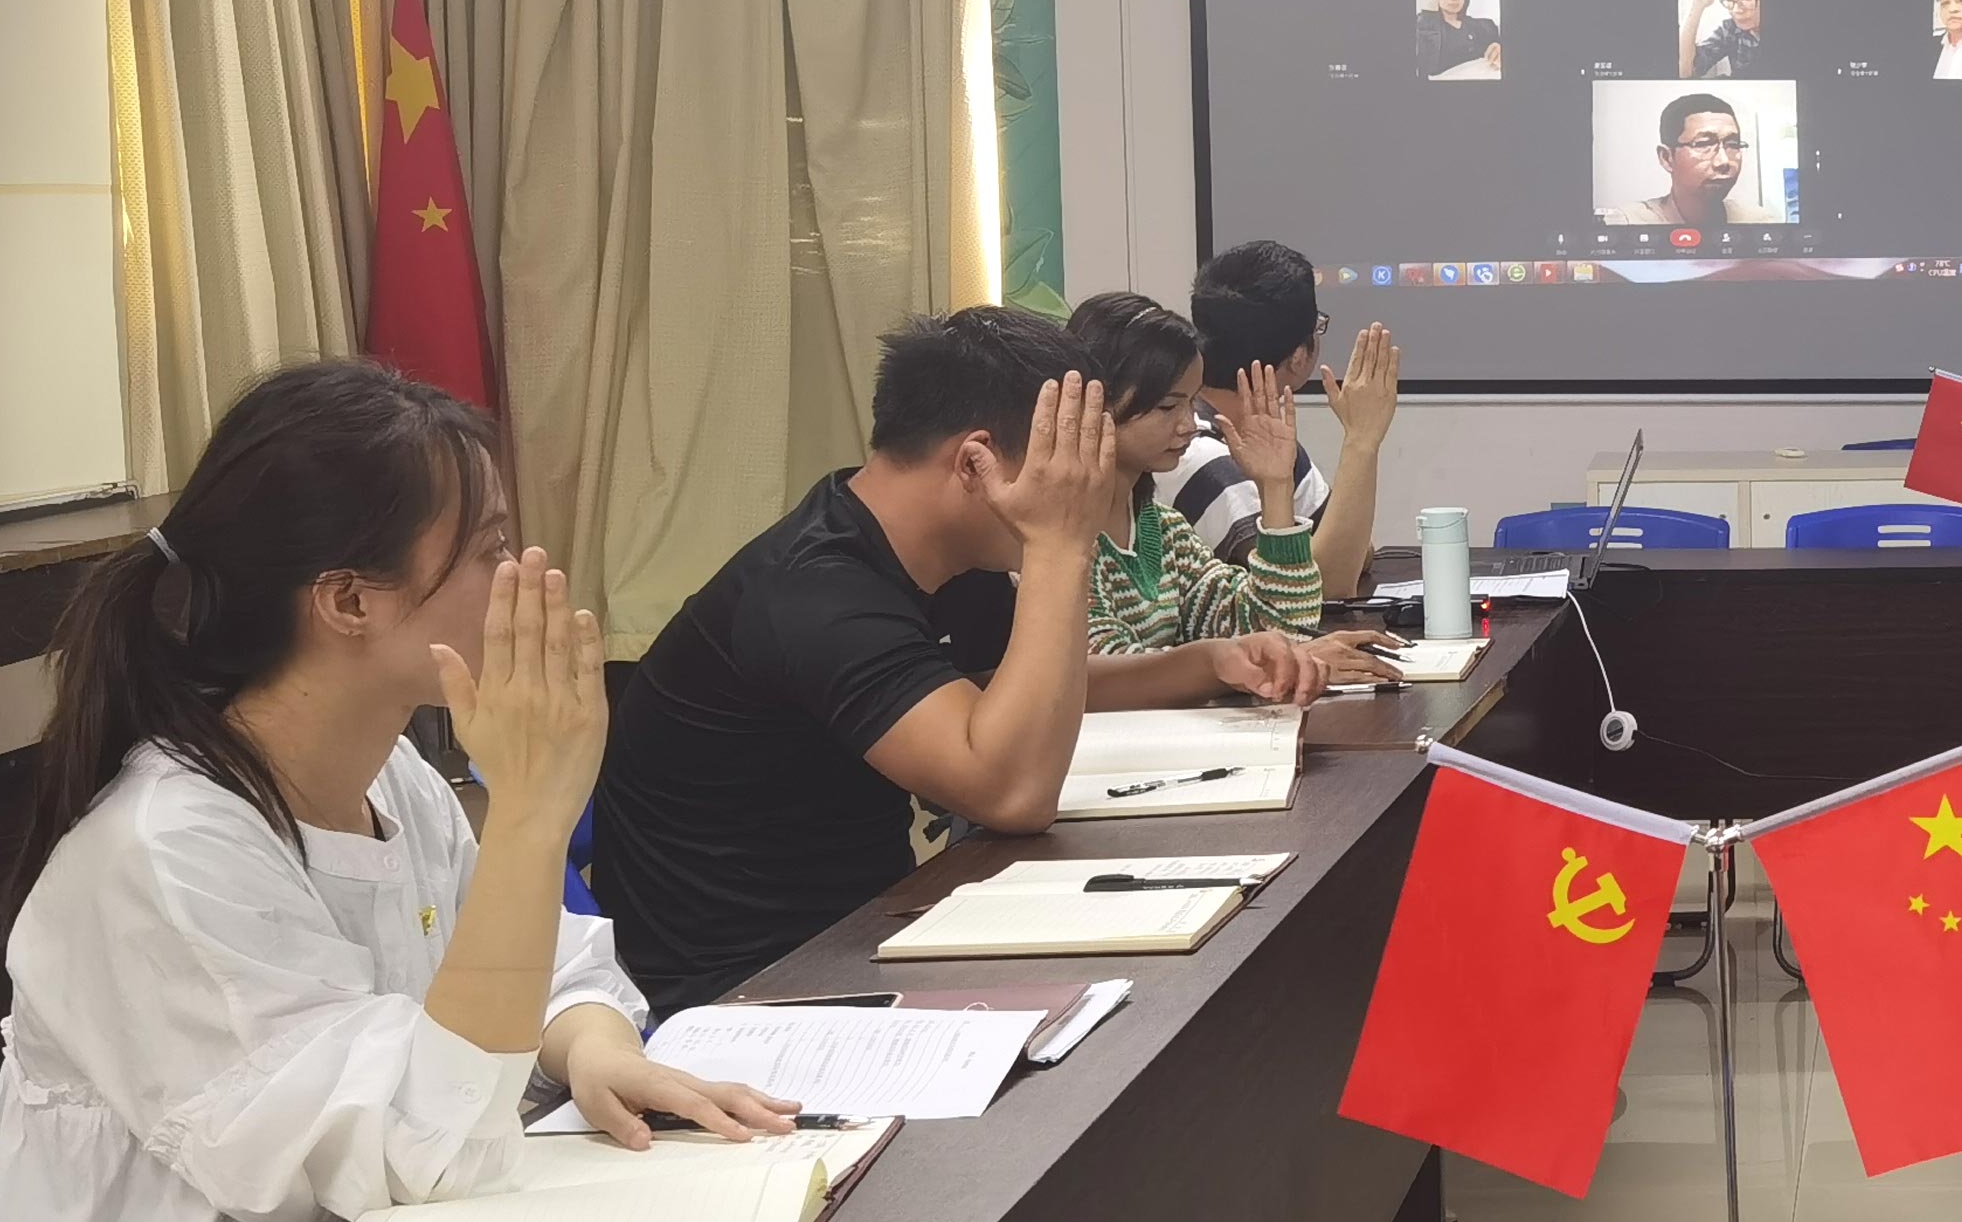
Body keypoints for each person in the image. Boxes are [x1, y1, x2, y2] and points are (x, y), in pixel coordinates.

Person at [0, 361, 791, 1222]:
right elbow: (412, 1147)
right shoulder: (162, 854)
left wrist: (592, 1044)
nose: (522, 576)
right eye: (489, 549)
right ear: (348, 600)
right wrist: (531, 813)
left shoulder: (392, 772)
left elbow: (533, 971)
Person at [591, 309, 1328, 1012]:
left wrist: (1207, 662)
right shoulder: (815, 593)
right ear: (976, 461)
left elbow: (1002, 698)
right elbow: (1012, 793)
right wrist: (1059, 544)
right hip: (749, 984)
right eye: (1065, 467)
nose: (1087, 489)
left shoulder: (949, 553)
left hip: (870, 924)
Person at [1066, 292, 1332, 652]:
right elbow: (1101, 667)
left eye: (1191, 403)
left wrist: (1276, 487)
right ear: (1093, 402)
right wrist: (1221, 662)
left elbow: (1282, 628)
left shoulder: (1164, 532)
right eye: (1167, 407)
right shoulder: (1062, 543)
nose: (1189, 425)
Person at [1172, 241, 1401, 601]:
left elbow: (1356, 553)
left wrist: (1326, 554)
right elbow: (1320, 587)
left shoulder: (1266, 436)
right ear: (1297, 357)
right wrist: (1362, 439)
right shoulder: (1195, 453)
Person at [1604, 93, 1783, 226]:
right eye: (1704, 144)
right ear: (1667, 157)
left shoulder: (1761, 223)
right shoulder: (1628, 223)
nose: (1723, 161)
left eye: (1733, 144)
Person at [1412, 0, 1501, 79]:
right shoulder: (1425, 26)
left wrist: (1497, 48)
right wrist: (1430, 12)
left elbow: (1497, 43)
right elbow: (1427, 66)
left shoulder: (1482, 26)